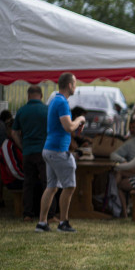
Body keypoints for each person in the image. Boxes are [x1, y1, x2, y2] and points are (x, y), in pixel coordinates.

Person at [36, 73, 86, 233]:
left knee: (51, 187)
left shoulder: (54, 101)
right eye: (75, 83)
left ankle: (42, 223)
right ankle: (63, 223)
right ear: (70, 85)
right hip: (58, 150)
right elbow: (69, 127)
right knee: (69, 186)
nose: (76, 87)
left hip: (49, 149)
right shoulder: (62, 103)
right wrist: (80, 119)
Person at [13, 85, 48, 221]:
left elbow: (14, 132)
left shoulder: (21, 111)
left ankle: (27, 213)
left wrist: (21, 146)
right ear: (41, 95)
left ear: (28, 96)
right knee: (47, 183)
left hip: (27, 151)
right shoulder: (47, 110)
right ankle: (48, 214)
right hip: (44, 151)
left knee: (28, 183)